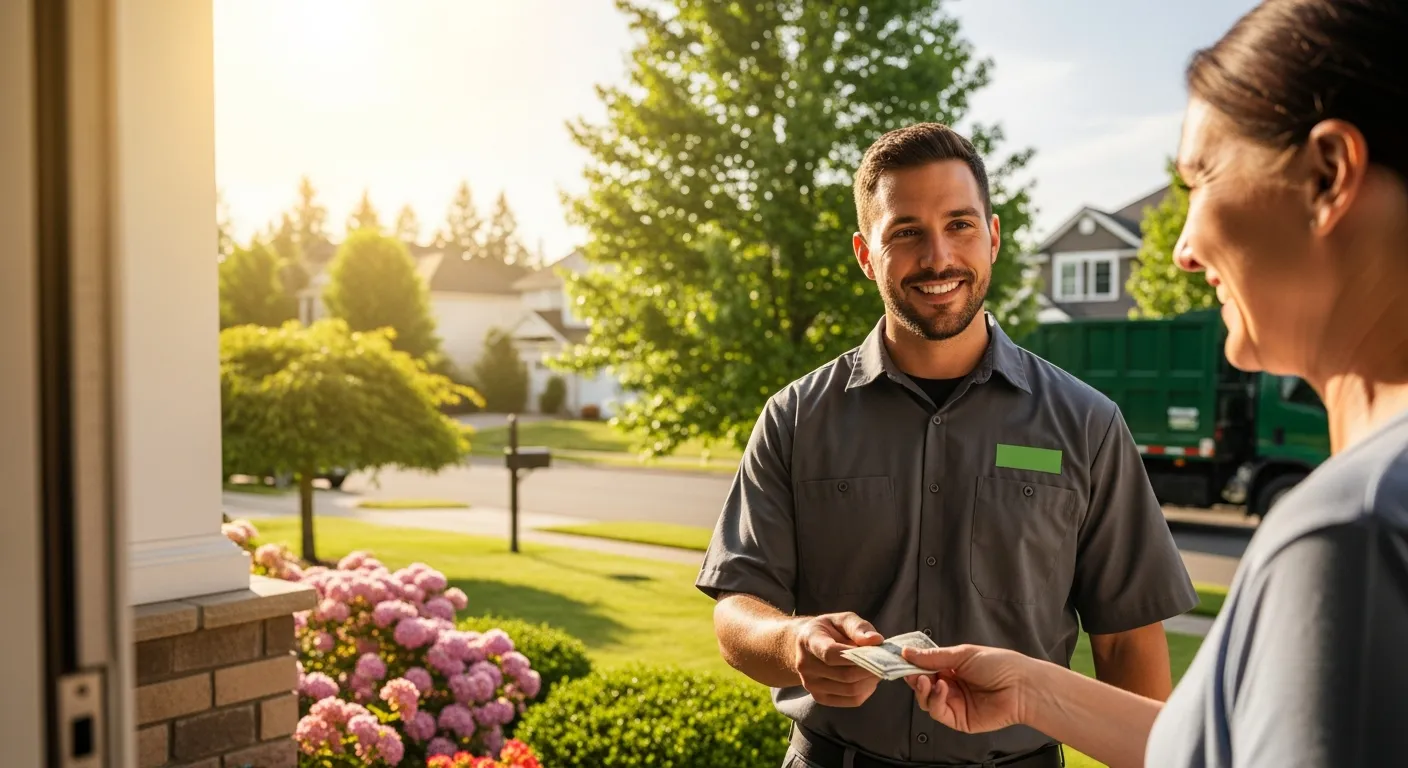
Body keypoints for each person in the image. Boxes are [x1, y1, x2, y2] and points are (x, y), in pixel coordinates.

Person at [898, 2, 1408, 766]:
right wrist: (1037, 692)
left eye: (1200, 178)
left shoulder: (1352, 533)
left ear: (1328, 175)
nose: (1183, 249)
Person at [695, 120, 1200, 768]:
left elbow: (1129, 643)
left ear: (992, 237)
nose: (938, 257)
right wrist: (793, 641)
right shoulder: (796, 419)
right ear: (864, 254)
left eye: (960, 225)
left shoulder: (1087, 425)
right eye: (906, 233)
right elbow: (737, 607)